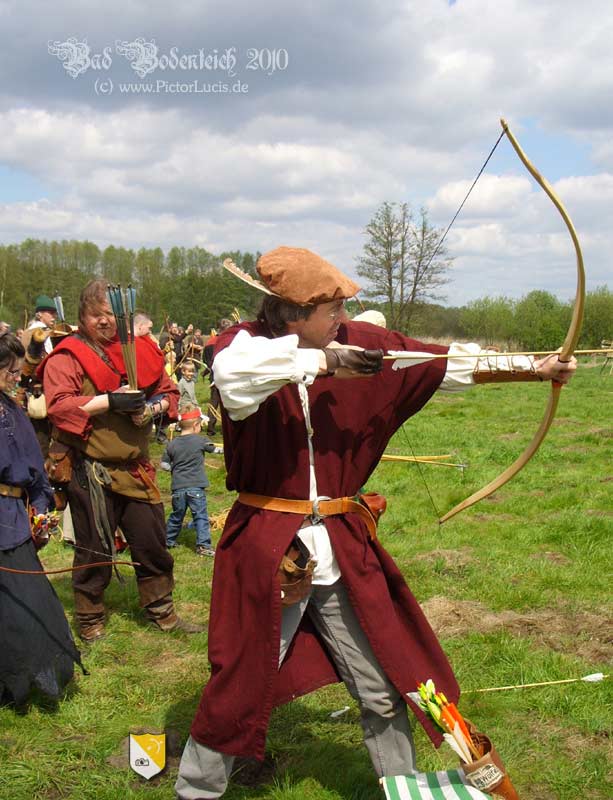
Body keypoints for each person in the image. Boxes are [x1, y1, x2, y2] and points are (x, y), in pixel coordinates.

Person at [175, 246, 576, 798]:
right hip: (270, 549)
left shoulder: (360, 344)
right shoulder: (243, 347)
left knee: (385, 680)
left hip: (340, 545)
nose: (343, 319)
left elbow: (444, 361)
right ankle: (195, 791)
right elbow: (234, 373)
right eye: (332, 310)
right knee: (239, 684)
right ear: (292, 314)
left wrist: (536, 368)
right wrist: (325, 363)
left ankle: (403, 787)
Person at [39, 279, 204, 642]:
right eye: (97, 314)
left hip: (136, 467)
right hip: (89, 469)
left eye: (111, 315)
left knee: (151, 541)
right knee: (94, 548)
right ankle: (89, 616)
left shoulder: (138, 350)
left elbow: (169, 392)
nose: (105, 322)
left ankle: (161, 609)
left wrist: (150, 409)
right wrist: (109, 402)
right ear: (83, 314)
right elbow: (59, 406)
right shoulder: (68, 354)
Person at [0, 331, 83, 706]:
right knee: (18, 607)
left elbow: (32, 464)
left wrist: (41, 506)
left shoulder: (11, 409)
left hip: (15, 519)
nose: (16, 377)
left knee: (28, 601)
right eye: (9, 371)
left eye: (17, 371)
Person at [161, 403, 221, 557]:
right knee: (200, 516)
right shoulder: (201, 441)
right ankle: (203, 546)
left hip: (178, 489)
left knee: (176, 515)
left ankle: (167, 541)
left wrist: (174, 469)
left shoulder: (171, 444)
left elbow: (164, 464)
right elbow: (215, 449)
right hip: (196, 488)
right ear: (195, 425)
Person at [203, 318, 232, 438]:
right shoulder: (230, 341)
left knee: (214, 402)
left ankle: (211, 428)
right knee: (228, 402)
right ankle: (229, 428)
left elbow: (206, 360)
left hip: (215, 375)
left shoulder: (210, 342)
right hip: (227, 375)